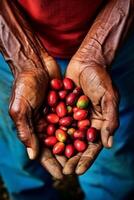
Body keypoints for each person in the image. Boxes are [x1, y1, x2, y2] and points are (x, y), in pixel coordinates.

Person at [0, 0, 134, 200]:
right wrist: (24, 58)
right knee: (20, 151)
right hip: (10, 35)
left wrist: (97, 51)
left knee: (115, 155)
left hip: (119, 37)